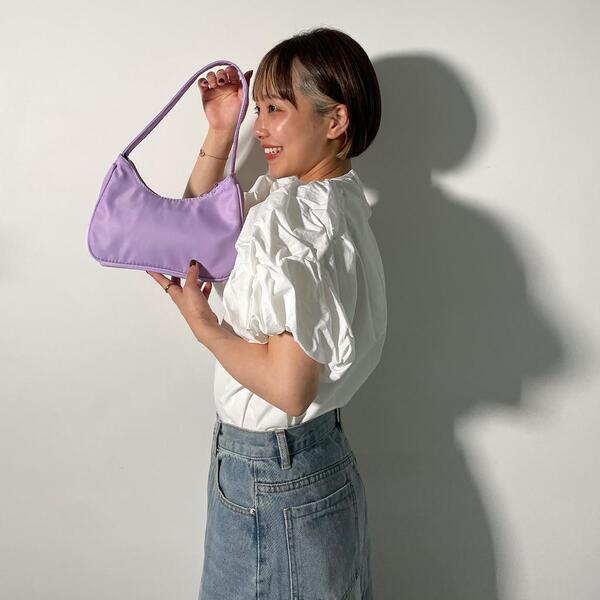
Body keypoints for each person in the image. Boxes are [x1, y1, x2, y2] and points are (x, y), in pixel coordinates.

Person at [147, 26, 386, 600]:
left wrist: (205, 327)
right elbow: (197, 235)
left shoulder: (295, 222)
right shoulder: (330, 201)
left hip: (273, 477)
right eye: (259, 109)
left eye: (276, 109)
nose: (260, 127)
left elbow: (288, 388)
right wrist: (219, 131)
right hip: (313, 463)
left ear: (336, 120)